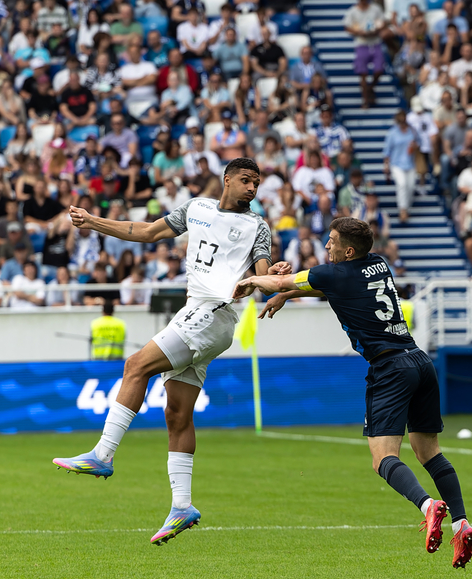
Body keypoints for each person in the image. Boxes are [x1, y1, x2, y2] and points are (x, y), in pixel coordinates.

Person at [52, 158, 292, 547]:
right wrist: (94, 222)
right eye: (246, 180)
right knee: (177, 413)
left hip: (212, 313)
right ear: (227, 180)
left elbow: (261, 276)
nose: (252, 188)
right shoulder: (196, 208)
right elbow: (146, 231)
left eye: (257, 183)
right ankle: (182, 505)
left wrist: (275, 278)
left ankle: (103, 454)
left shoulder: (257, 226)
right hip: (196, 312)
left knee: (135, 365)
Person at [232, 217, 472, 567]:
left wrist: (256, 279)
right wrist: (287, 293)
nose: (326, 246)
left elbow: (279, 280)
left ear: (347, 250)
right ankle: (462, 522)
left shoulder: (332, 273)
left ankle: (429, 506)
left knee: (383, 458)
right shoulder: (378, 264)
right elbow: (328, 286)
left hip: (389, 368)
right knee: (429, 452)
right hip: (420, 362)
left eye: (331, 241)